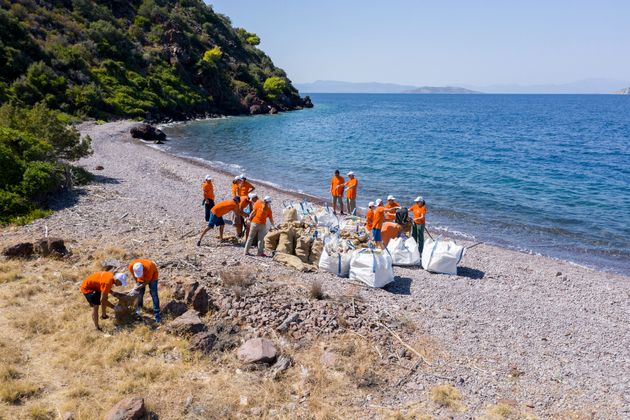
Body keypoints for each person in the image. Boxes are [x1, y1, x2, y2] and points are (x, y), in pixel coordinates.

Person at [128, 258, 161, 323]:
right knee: (139, 293)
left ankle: (157, 314)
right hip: (141, 278)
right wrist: (137, 284)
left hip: (153, 276)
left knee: (154, 294)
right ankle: (139, 309)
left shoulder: (149, 267)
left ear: (143, 268)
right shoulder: (131, 266)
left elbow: (147, 281)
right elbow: (134, 276)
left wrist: (138, 287)